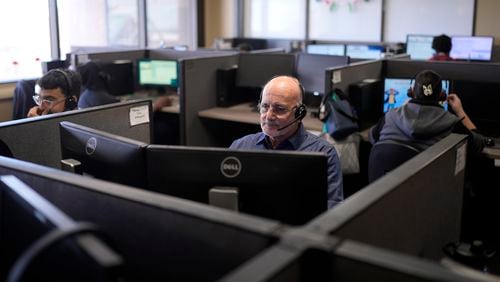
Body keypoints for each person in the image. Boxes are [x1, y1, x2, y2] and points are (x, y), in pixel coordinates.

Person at [229, 75, 344, 208]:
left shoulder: (323, 154)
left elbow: (332, 211)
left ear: (300, 114)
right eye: (265, 106)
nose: (269, 116)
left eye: (280, 109)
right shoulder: (240, 146)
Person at [370, 69, 486, 154]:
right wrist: (460, 111)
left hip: (389, 184)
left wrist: (399, 109)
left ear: (411, 92)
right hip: (429, 185)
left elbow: (373, 137)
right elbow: (479, 143)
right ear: (442, 96)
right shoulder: (452, 123)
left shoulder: (389, 116)